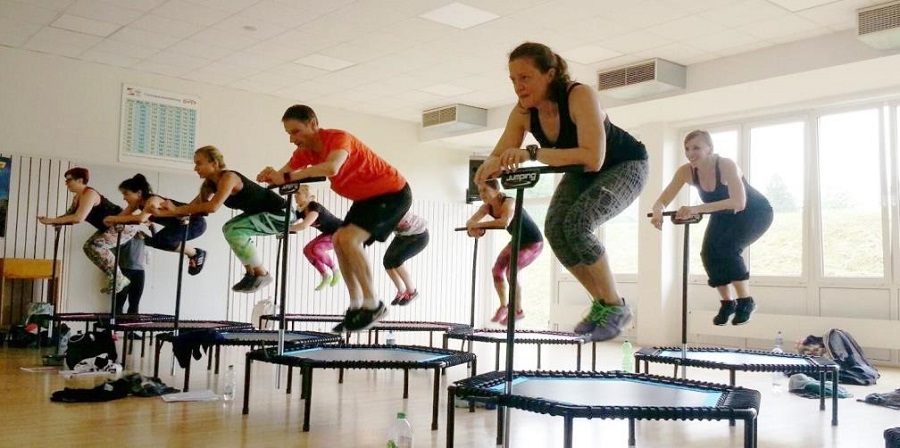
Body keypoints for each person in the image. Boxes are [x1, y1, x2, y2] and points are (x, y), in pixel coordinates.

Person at [475, 42, 649, 341]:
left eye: (526, 77)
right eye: (513, 79)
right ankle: (604, 304)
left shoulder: (580, 95)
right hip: (583, 171)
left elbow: (592, 157)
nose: (518, 86)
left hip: (625, 164)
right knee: (555, 229)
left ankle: (616, 307)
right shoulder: (523, 112)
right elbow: (499, 155)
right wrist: (486, 174)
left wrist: (532, 152)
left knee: (579, 224)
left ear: (550, 74)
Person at [258, 104, 411, 332]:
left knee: (349, 239)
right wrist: (271, 175)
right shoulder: (304, 152)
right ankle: (356, 305)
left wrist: (288, 176)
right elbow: (283, 176)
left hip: (392, 193)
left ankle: (373, 304)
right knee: (339, 239)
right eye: (289, 133)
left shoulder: (338, 138)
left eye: (296, 131)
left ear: (313, 124)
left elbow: (332, 168)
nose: (292, 139)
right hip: (366, 199)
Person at [650, 129, 773, 326]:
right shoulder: (685, 172)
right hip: (723, 214)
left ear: (710, 149)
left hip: (754, 212)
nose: (691, 153)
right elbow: (663, 199)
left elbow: (738, 203)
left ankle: (746, 302)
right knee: (708, 253)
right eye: (687, 149)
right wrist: (657, 209)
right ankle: (727, 303)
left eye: (696, 147)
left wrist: (695, 209)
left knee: (728, 248)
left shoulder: (726, 165)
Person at [164, 145, 291, 294]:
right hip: (267, 213)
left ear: (214, 163)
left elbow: (212, 207)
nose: (195, 168)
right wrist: (160, 212)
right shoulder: (211, 185)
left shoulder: (229, 178)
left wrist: (176, 209)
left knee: (233, 229)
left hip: (282, 214)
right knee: (229, 229)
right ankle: (251, 273)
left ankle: (261, 274)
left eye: (199, 163)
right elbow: (192, 207)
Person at [37, 167, 137, 294]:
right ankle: (116, 277)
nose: (66, 183)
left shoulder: (90, 194)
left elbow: (78, 218)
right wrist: (53, 220)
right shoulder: (77, 198)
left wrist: (52, 220)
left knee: (95, 246)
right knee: (88, 247)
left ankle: (118, 278)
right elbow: (70, 216)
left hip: (123, 226)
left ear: (80, 180)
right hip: (108, 227)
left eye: (69, 180)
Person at [466, 180, 542, 325]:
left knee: (510, 272)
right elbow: (471, 222)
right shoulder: (486, 207)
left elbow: (504, 222)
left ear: (496, 190)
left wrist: (478, 225)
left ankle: (518, 311)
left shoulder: (509, 202)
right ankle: (504, 307)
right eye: (480, 191)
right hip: (517, 241)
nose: (482, 194)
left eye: (485, 190)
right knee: (497, 271)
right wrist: (474, 229)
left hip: (533, 243)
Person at [104, 174, 208, 275]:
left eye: (126, 194)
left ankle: (195, 253)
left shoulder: (152, 201)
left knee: (159, 240)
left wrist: (113, 219)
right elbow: (121, 217)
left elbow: (141, 218)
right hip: (180, 225)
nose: (124, 198)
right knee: (155, 241)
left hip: (195, 223)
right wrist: (109, 222)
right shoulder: (137, 204)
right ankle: (194, 254)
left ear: (139, 193)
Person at [289, 185, 342, 291]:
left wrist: (287, 228)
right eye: (295, 194)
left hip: (340, 231)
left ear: (307, 195)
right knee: (307, 250)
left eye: (298, 194)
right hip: (329, 232)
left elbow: (304, 225)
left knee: (317, 248)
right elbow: (290, 222)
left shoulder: (313, 207)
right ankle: (325, 275)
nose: (295, 196)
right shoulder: (301, 211)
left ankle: (336, 271)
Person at [384, 210, 429, 306]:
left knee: (397, 261)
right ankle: (401, 290)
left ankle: (412, 292)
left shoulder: (396, 213)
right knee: (387, 261)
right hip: (403, 236)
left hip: (419, 237)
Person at [114, 234, 146, 315]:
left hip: (139, 272)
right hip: (124, 270)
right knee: (120, 300)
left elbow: (157, 241)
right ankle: (116, 326)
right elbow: (115, 247)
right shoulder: (124, 235)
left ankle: (131, 326)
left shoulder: (142, 236)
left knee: (135, 302)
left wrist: (151, 227)